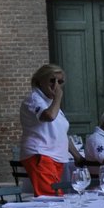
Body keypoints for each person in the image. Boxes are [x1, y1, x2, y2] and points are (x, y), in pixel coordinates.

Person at [18, 63, 73, 197]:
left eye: (60, 81)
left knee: (53, 196)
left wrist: (77, 157)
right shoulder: (34, 99)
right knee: (51, 197)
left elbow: (61, 133)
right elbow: (48, 116)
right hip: (41, 154)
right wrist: (58, 97)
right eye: (51, 80)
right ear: (39, 81)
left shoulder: (51, 103)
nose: (56, 85)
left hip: (55, 157)